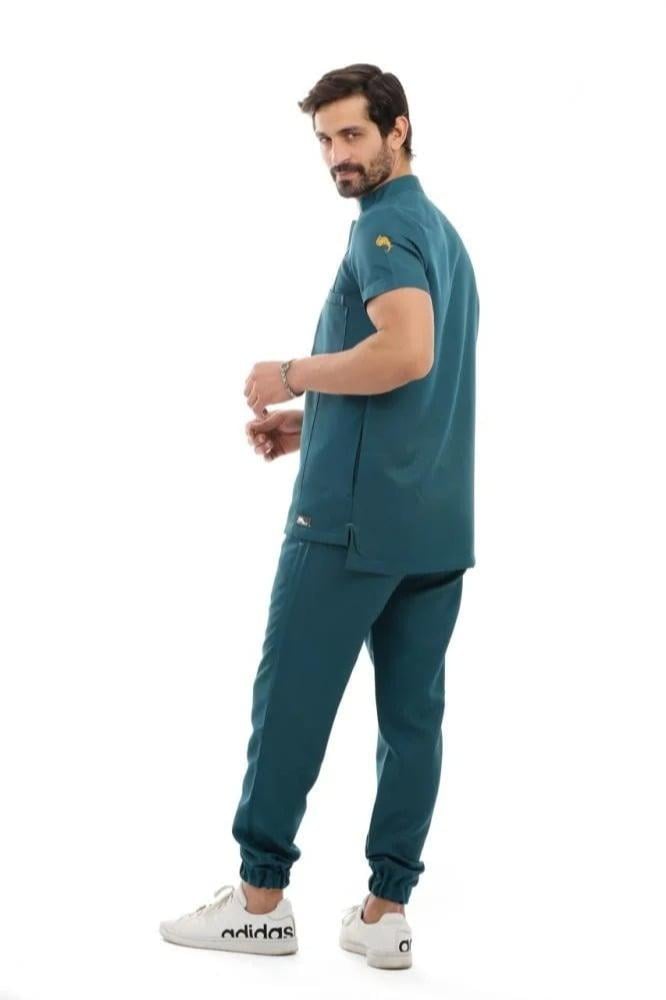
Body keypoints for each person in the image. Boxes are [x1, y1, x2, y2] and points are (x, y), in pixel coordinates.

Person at [159, 63, 479, 971]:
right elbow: (415, 387)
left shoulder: (384, 226)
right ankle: (385, 913)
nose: (338, 155)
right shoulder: (444, 234)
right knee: (412, 725)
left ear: (398, 129)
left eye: (352, 135)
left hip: (346, 530)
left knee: (290, 704)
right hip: (432, 527)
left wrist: (293, 375)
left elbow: (406, 352)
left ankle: (260, 903)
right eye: (326, 140)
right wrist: (316, 425)